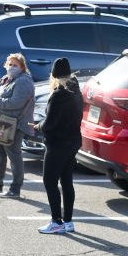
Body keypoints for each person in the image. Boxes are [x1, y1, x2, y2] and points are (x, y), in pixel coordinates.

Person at [36, 58, 84, 235]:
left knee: (49, 181)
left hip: (57, 144)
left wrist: (37, 125)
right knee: (66, 181)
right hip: (72, 142)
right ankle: (68, 221)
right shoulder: (76, 91)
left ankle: (56, 221)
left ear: (54, 75)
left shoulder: (58, 95)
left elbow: (50, 124)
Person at [0, 53, 34, 197]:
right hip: (2, 121)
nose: (11, 67)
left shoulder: (23, 81)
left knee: (14, 156)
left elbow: (15, 103)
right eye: (9, 64)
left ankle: (15, 189)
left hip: (15, 123)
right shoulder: (5, 79)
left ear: (22, 67)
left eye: (15, 65)